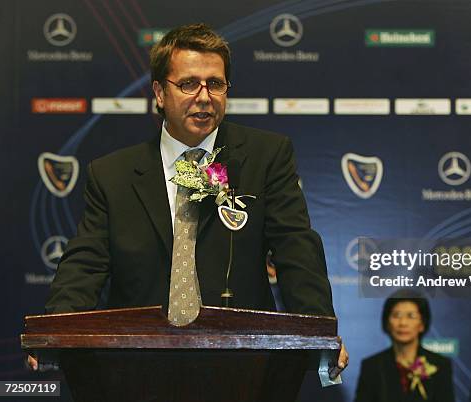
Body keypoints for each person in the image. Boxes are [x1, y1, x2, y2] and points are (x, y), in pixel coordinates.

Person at [30, 23, 347, 376]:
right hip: (136, 365)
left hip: (243, 363)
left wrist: (320, 331)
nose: (204, 96)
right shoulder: (113, 174)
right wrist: (57, 329)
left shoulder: (264, 156)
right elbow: (84, 267)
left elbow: (296, 250)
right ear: (160, 93)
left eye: (215, 84)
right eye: (188, 84)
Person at [355, 292, 455, 402]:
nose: (403, 323)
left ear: (422, 324)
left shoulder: (440, 365)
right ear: (387, 323)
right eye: (396, 315)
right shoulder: (372, 366)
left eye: (411, 316)